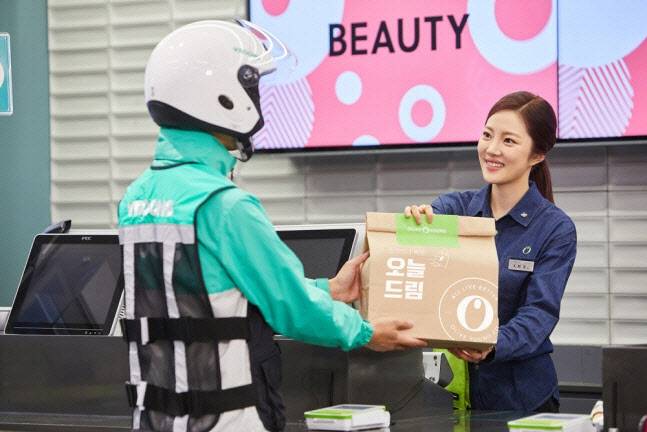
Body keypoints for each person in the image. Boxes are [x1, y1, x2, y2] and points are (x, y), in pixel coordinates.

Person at [117, 20, 426, 432]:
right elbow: (290, 306)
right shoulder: (224, 206)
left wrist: (330, 289)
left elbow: (215, 299)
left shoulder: (137, 198)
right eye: (252, 88)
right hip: (227, 421)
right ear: (222, 98)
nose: (258, 99)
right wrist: (366, 332)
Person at [405, 91, 577, 412]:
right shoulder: (454, 208)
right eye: (487, 135)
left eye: (509, 141)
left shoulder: (555, 228)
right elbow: (420, 253)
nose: (492, 149)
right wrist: (417, 224)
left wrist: (491, 344)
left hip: (521, 399)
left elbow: (540, 313)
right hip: (448, 395)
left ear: (537, 154)